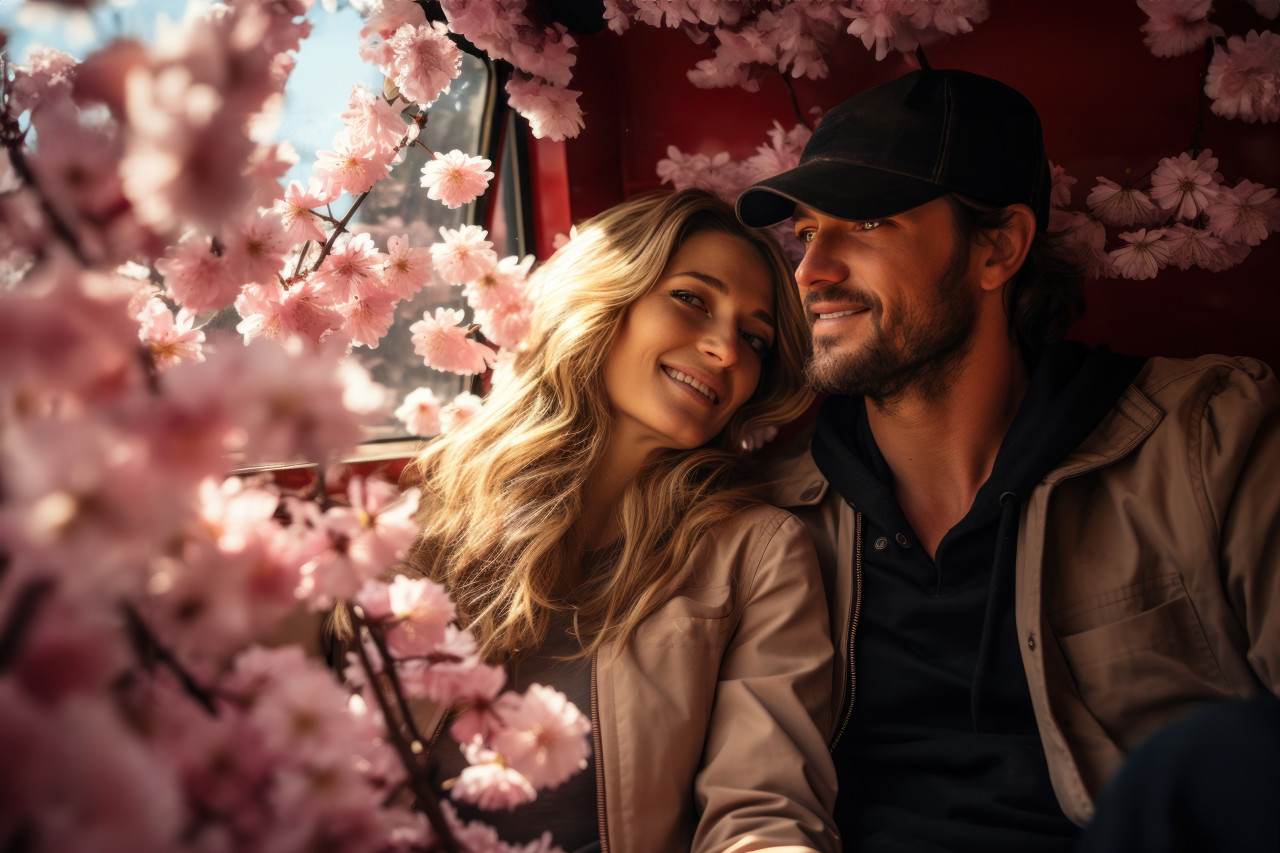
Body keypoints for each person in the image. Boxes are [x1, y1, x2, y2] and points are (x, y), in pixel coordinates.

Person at [736, 69, 1280, 852]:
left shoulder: (1209, 439)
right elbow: (756, 802)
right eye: (808, 230)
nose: (811, 271)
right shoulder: (773, 517)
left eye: (868, 223)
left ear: (998, 248)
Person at [402, 189, 838, 853]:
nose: (726, 349)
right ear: (606, 297)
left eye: (755, 338)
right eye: (692, 298)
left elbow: (762, 806)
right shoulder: (419, 516)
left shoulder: (756, 554)